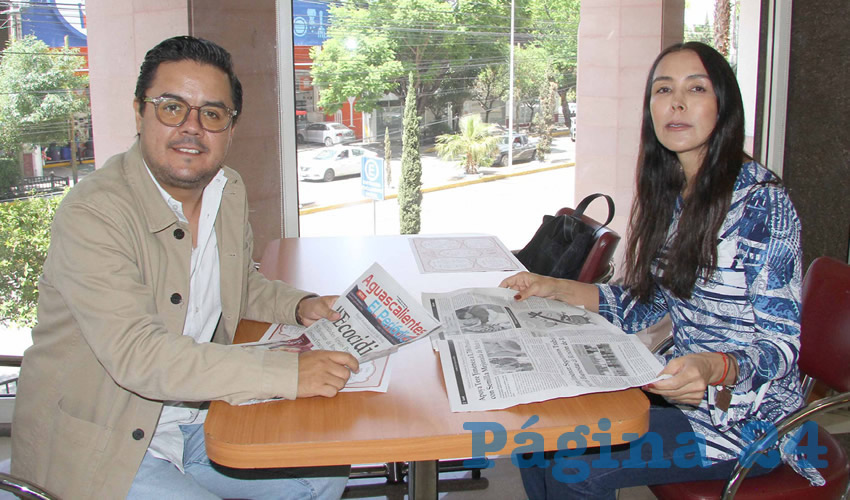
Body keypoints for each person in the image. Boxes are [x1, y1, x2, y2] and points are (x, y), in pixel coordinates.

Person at [11, 36, 359, 499]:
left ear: (230, 128)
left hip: (188, 419)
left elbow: (237, 282)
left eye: (212, 114)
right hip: (104, 445)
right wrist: (289, 373)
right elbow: (140, 355)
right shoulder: (94, 214)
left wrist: (302, 306)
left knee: (323, 474)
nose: (192, 127)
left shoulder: (226, 189)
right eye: (172, 107)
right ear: (139, 112)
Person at [500, 41, 819, 499]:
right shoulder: (673, 196)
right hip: (680, 390)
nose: (677, 102)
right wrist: (554, 286)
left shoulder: (763, 205)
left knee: (573, 465)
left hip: (749, 418)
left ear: (723, 106)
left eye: (697, 88)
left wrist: (715, 367)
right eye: (663, 89)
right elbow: (642, 305)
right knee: (538, 434)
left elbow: (782, 345)